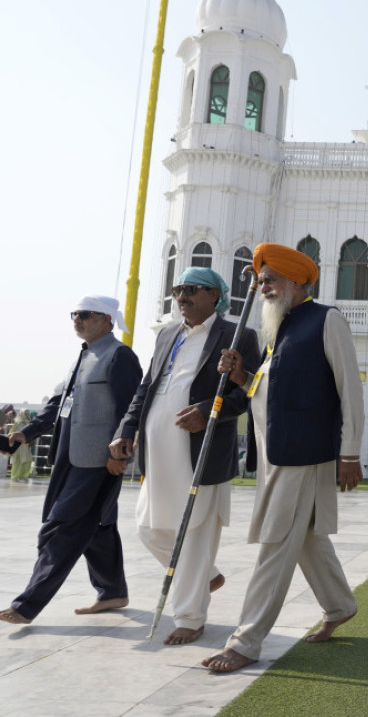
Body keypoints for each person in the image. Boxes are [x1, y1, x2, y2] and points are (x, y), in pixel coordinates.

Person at [202, 242, 364, 672]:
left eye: (270, 279)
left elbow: (351, 390)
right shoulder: (281, 328)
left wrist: (350, 453)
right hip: (276, 454)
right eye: (260, 280)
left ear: (296, 281)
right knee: (306, 536)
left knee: (276, 542)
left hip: (305, 454)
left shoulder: (325, 320)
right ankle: (339, 605)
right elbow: (270, 390)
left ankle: (245, 641)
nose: (263, 287)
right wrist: (242, 376)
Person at [109, 267, 260, 645]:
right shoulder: (166, 336)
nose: (182, 296)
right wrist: (125, 431)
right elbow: (146, 389)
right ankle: (207, 576)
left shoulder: (238, 335)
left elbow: (250, 391)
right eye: (178, 289)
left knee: (193, 533)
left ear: (215, 296)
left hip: (201, 451)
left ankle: (190, 618)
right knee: (149, 528)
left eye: (192, 289)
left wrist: (210, 409)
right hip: (158, 452)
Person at [0, 296, 142, 625]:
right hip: (69, 457)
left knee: (60, 527)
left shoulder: (119, 356)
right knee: (98, 527)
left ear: (107, 319)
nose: (77, 319)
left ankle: (26, 605)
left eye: (85, 315)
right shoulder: (84, 355)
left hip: (98, 461)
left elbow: (129, 410)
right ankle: (112, 591)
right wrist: (26, 434)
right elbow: (57, 405)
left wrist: (119, 455)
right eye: (74, 314)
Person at [8, 409, 34, 482]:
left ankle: (23, 476)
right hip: (18, 445)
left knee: (27, 460)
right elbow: (13, 432)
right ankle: (15, 476)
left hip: (25, 444)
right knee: (18, 461)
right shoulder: (18, 422)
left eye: (28, 413)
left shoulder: (28, 422)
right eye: (26, 413)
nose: (27, 414)